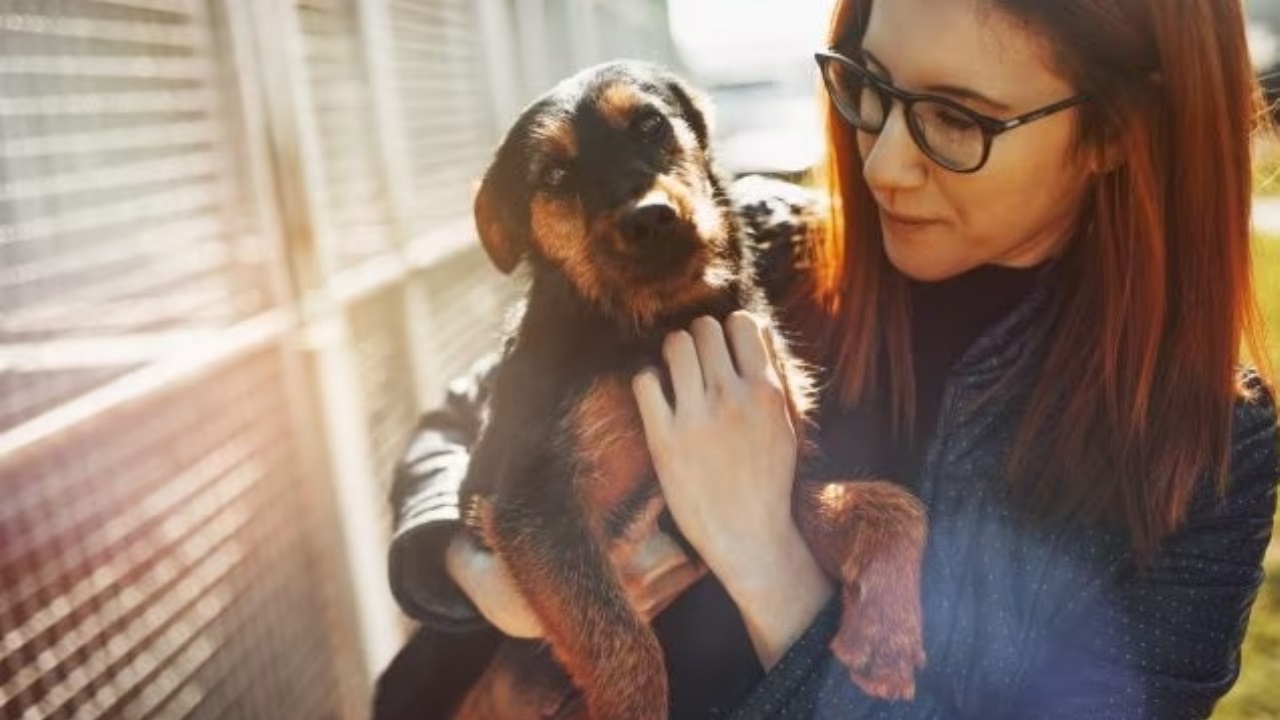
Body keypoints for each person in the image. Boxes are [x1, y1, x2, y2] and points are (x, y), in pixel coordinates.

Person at [373, 0, 1280, 717]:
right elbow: (466, 416)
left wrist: (767, 560)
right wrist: (477, 580)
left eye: (957, 119)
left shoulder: (1209, 454)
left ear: (1119, 131)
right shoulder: (750, 247)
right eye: (867, 87)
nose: (881, 164)